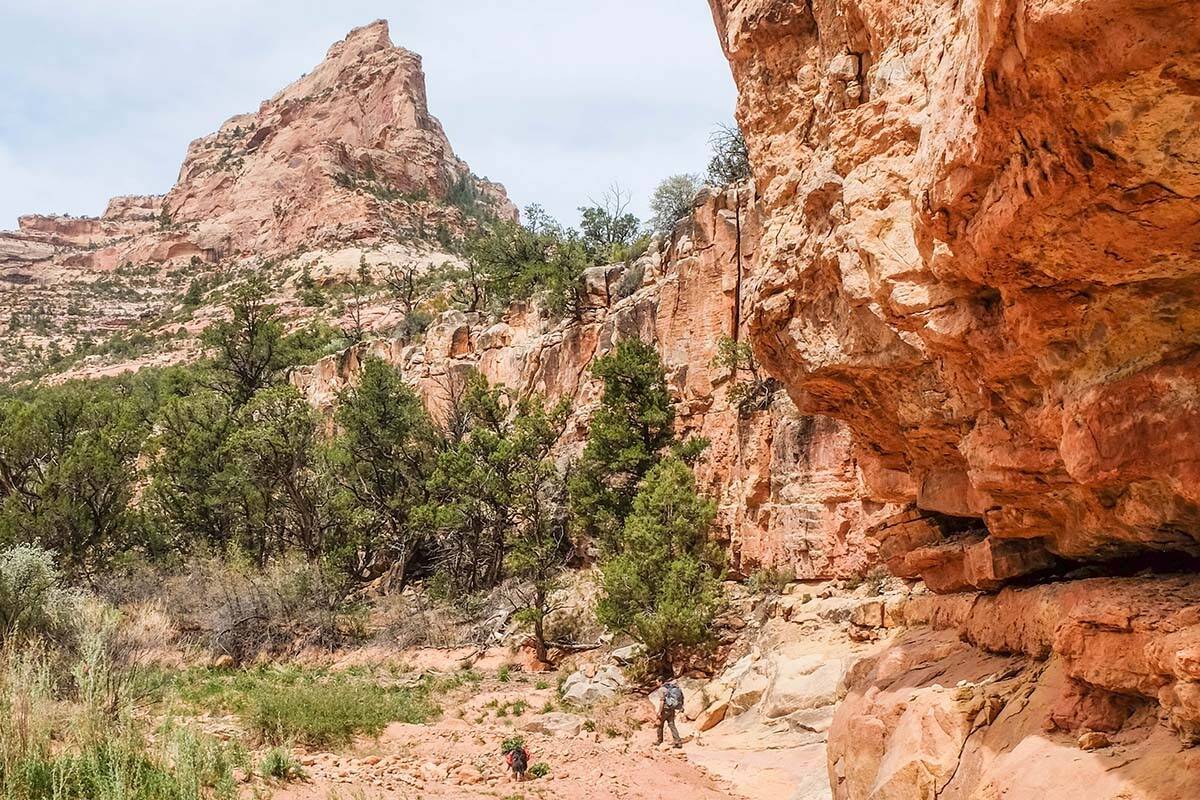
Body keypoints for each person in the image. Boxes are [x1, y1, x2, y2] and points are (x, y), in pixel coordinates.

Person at [656, 679, 685, 748]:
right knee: (672, 725)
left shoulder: (661, 689)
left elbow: (662, 701)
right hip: (672, 709)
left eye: (656, 682)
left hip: (665, 710)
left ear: (661, 682)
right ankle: (678, 742)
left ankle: (659, 741)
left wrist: (659, 712)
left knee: (660, 724)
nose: (656, 684)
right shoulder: (669, 688)